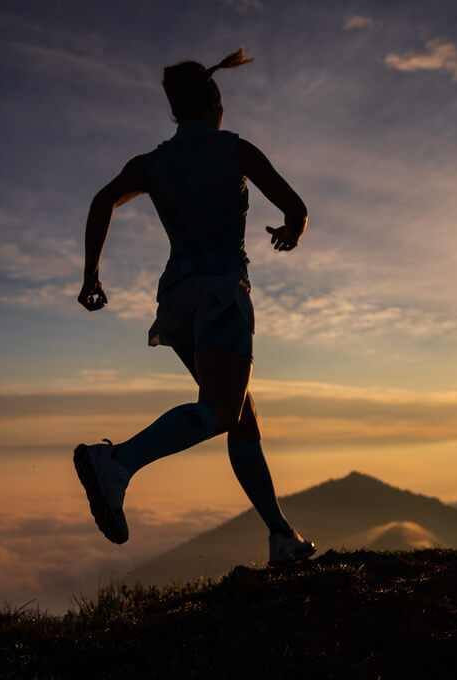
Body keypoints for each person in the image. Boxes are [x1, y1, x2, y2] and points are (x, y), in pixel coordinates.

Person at [72, 47, 315, 566]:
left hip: (177, 299)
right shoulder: (234, 149)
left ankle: (281, 536)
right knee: (224, 410)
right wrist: (290, 233)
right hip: (222, 292)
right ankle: (115, 462)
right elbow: (296, 209)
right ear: (214, 100)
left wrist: (92, 274)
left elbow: (100, 201)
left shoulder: (151, 164)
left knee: (238, 417)